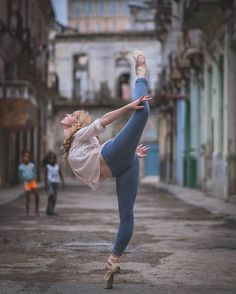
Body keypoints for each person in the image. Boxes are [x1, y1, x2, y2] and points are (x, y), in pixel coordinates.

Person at [61, 49, 150, 289]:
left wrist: (130, 105)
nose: (69, 113)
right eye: (71, 113)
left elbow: (106, 119)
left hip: (115, 159)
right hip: (120, 164)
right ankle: (112, 262)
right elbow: (102, 130)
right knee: (126, 216)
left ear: (77, 124)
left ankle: (140, 69)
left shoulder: (80, 134)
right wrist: (130, 154)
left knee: (142, 111)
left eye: (72, 114)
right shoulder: (77, 140)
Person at [18, 151, 40, 216]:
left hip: (32, 181)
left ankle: (36, 209)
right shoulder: (21, 166)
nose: (26, 158)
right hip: (26, 182)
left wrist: (34, 177)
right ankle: (27, 211)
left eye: (27, 156)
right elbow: (20, 175)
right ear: (23, 157)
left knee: (37, 195)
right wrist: (23, 180)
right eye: (25, 156)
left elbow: (34, 172)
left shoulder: (32, 165)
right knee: (28, 197)